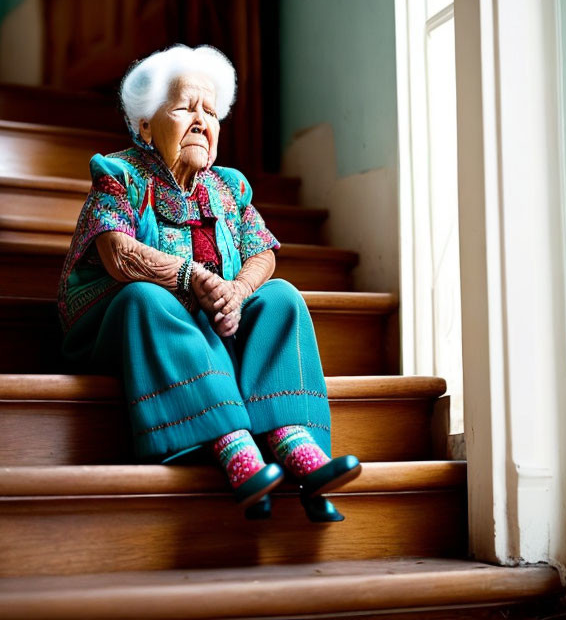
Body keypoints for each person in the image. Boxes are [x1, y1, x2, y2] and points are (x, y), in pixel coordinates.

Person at [57, 44, 360, 521]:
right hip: (123, 325)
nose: (202, 121)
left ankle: (292, 440)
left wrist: (236, 291)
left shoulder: (230, 186)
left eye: (211, 112)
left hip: (210, 316)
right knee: (147, 297)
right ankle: (233, 446)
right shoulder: (118, 174)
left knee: (279, 297)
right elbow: (118, 255)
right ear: (144, 126)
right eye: (184, 108)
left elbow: (261, 252)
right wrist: (191, 278)